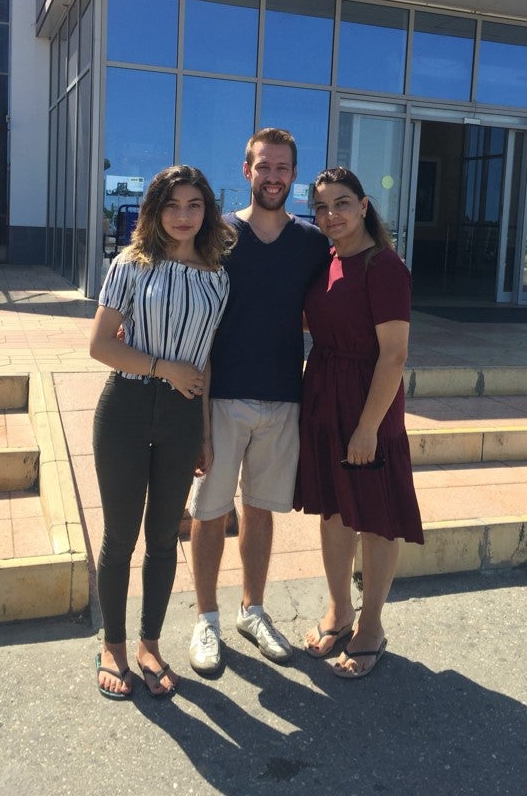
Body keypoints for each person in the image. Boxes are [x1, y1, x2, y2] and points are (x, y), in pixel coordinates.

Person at [187, 128, 330, 676]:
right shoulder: (216, 236)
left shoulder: (313, 243)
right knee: (209, 511)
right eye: (263, 167)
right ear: (245, 170)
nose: (273, 177)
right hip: (222, 395)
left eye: (283, 168)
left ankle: (253, 610)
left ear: (294, 175)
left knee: (263, 509)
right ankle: (206, 619)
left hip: (284, 397)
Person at [89, 165, 235, 699]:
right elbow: (101, 345)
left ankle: (150, 643)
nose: (182, 216)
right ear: (154, 210)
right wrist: (162, 366)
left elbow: (207, 361)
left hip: (181, 417)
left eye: (194, 205)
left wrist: (205, 434)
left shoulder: (218, 277)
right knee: (120, 535)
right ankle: (113, 645)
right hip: (125, 408)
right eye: (172, 205)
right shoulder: (130, 264)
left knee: (163, 538)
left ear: (207, 212)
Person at [294, 167, 424, 680]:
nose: (331, 215)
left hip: (369, 399)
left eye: (342, 204)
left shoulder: (384, 266)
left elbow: (394, 355)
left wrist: (369, 427)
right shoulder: (325, 260)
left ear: (364, 206)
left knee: (373, 517)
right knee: (331, 509)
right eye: (322, 207)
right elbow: (317, 319)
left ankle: (371, 625)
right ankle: (339, 609)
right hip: (324, 392)